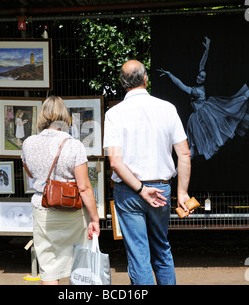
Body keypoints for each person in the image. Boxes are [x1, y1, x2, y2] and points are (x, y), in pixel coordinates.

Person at [103, 59, 192, 285]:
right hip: (162, 188)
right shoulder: (168, 108)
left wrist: (141, 189)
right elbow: (184, 154)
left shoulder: (114, 114)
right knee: (162, 249)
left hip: (129, 191)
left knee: (139, 256)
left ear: (123, 83)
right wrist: (182, 193)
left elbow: (115, 162)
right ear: (145, 79)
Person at [21, 95, 100, 285]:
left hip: (43, 210)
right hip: (72, 212)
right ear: (64, 116)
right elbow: (84, 187)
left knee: (49, 268)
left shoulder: (28, 143)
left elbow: (30, 175)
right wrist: (95, 218)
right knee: (79, 265)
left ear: (42, 116)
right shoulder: (74, 145)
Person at [158, 36, 249, 160]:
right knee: (193, 146)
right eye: (199, 76)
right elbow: (202, 63)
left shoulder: (197, 91)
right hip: (197, 117)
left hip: (205, 114)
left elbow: (182, 86)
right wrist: (207, 48)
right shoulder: (198, 85)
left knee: (230, 107)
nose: (199, 77)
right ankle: (177, 170)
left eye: (202, 77)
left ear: (204, 80)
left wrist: (170, 75)